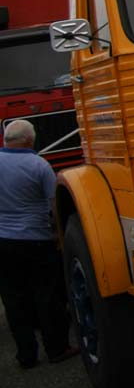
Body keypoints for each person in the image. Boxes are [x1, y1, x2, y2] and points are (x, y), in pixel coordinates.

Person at [0, 119, 76, 369]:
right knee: (48, 295)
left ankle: (26, 355)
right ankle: (56, 348)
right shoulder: (39, 165)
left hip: (3, 242)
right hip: (36, 241)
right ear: (30, 140)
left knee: (13, 300)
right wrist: (58, 236)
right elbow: (53, 204)